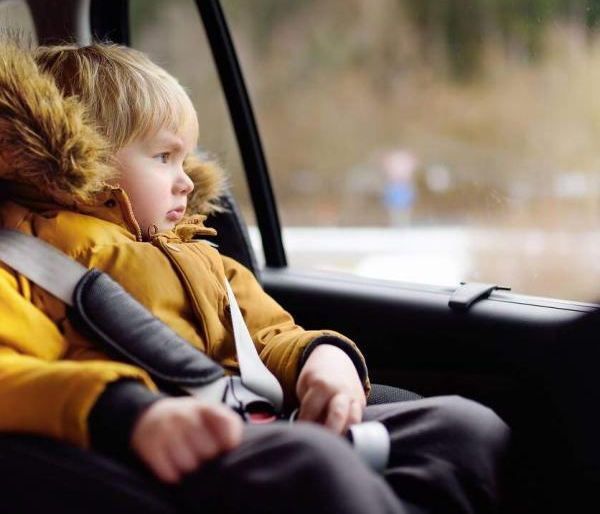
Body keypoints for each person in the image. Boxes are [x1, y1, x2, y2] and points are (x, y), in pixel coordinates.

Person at [0, 42, 509, 513]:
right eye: (163, 157)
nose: (184, 179)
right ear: (82, 159)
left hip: (256, 419)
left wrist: (321, 359)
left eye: (185, 158)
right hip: (156, 453)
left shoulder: (202, 257)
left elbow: (270, 334)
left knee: (463, 427)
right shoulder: (24, 259)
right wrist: (126, 411)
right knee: (312, 463)